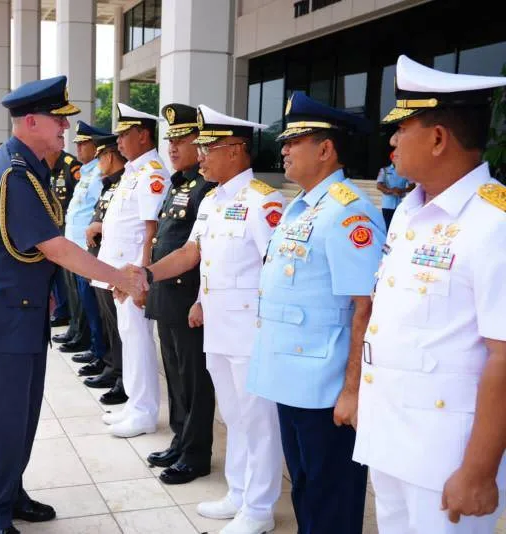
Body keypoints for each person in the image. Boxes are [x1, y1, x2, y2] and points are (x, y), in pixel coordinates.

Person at [0, 76, 145, 534]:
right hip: (1, 318)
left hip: (20, 313)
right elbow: (56, 247)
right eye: (58, 119)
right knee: (7, 423)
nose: (66, 127)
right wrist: (120, 278)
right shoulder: (13, 174)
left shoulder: (30, 165)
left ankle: (9, 494)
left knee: (22, 418)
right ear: (31, 121)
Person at [353, 55, 506, 534]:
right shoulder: (409, 211)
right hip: (390, 432)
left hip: (446, 453)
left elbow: (504, 355)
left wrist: (479, 470)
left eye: (402, 129)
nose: (392, 141)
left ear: (438, 138)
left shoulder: (494, 223)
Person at [132, 105, 285, 533]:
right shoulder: (214, 200)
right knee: (234, 416)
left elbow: (275, 269)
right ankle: (238, 492)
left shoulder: (263, 200)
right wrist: (147, 274)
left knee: (258, 421)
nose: (200, 155)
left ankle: (259, 509)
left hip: (250, 331)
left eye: (208, 148)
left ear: (235, 150)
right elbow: (193, 253)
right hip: (217, 326)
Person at [247, 91, 385, 534]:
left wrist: (353, 391)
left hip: (327, 387)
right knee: (306, 488)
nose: (284, 150)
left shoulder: (349, 212)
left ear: (325, 150)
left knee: (332, 497)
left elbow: (366, 307)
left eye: (294, 141)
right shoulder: (301, 205)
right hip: (290, 377)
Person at [142, 103, 217, 485]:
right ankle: (179, 439)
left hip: (187, 297)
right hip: (167, 295)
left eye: (181, 139)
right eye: (170, 140)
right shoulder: (178, 184)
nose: (172, 147)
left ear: (199, 143)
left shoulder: (207, 188)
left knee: (194, 380)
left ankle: (195, 453)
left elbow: (201, 250)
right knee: (174, 375)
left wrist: (200, 299)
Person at [94, 103, 171, 438]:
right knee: (128, 336)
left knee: (138, 339)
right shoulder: (133, 171)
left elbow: (151, 230)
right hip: (119, 273)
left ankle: (144, 412)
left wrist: (141, 278)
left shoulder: (152, 172)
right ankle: (134, 402)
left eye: (125, 134)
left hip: (133, 275)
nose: (119, 141)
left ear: (143, 135)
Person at [62, 121, 110, 377]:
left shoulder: (99, 173)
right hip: (74, 247)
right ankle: (89, 343)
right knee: (81, 301)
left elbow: (100, 210)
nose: (78, 148)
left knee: (92, 305)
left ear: (96, 146)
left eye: (83, 144)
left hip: (86, 249)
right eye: (77, 144)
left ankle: (98, 350)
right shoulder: (86, 172)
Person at [84, 134, 128, 405]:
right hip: (101, 258)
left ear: (110, 156)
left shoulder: (125, 182)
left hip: (114, 261)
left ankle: (122, 376)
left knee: (119, 325)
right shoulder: (110, 184)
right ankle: (112, 366)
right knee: (108, 321)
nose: (98, 162)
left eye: (100, 157)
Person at [45, 148, 82, 332]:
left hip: (69, 230)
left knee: (70, 279)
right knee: (59, 276)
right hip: (55, 229)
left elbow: (80, 201)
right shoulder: (48, 167)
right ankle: (63, 312)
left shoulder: (71, 166)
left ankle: (67, 314)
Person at [376, 152, 413, 229]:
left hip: (401, 204)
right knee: (388, 227)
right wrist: (391, 191)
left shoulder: (406, 171)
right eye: (397, 157)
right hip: (387, 204)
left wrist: (402, 190)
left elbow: (412, 186)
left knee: (399, 228)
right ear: (392, 159)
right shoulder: (385, 170)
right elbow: (379, 185)